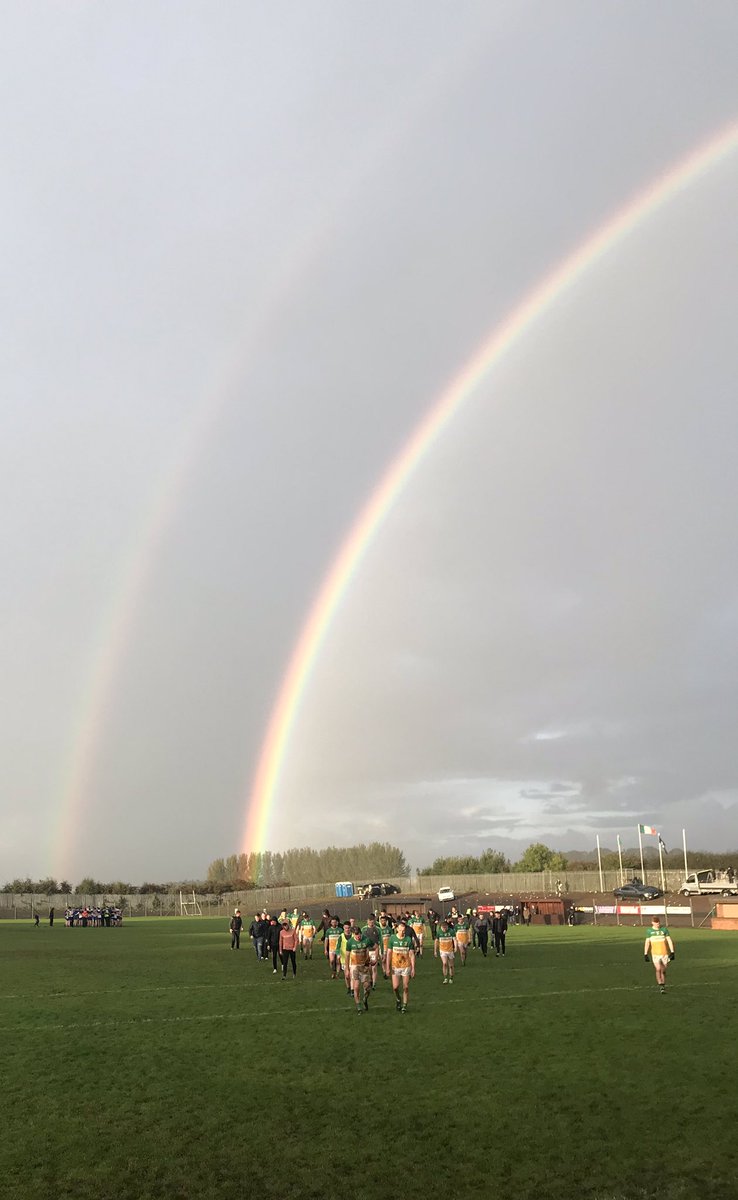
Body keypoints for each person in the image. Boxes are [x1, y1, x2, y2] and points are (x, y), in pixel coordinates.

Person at [386, 917, 415, 1013]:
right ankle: (398, 999)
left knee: (405, 987)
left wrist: (413, 968)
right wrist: (387, 967)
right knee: (395, 987)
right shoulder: (392, 939)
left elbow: (411, 954)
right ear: (397, 929)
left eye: (404, 930)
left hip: (406, 966)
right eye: (401, 930)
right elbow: (389, 953)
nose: (403, 932)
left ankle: (404, 1005)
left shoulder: (408, 940)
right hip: (395, 967)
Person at [344, 924, 373, 1013]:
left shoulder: (366, 940)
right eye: (356, 935)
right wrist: (347, 969)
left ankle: (364, 999)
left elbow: (375, 947)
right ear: (353, 934)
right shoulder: (350, 942)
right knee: (356, 987)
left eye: (359, 934)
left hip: (364, 967)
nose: (358, 937)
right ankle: (358, 1006)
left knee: (367, 987)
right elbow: (347, 956)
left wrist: (374, 959)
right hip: (355, 967)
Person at [644, 917, 675, 993]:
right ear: (652, 923)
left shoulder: (664, 930)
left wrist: (672, 952)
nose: (657, 924)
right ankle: (661, 986)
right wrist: (645, 953)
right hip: (655, 954)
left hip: (664, 953)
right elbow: (647, 942)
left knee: (663, 971)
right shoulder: (649, 931)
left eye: (658, 923)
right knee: (658, 969)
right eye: (656, 923)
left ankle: (663, 984)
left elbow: (669, 940)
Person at [434, 919, 456, 984]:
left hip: (450, 950)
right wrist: (435, 951)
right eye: (443, 928)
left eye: (445, 928)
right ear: (441, 927)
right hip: (442, 950)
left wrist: (455, 947)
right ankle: (445, 978)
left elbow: (454, 939)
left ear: (447, 927)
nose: (444, 930)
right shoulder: (439, 932)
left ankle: (451, 978)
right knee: (444, 963)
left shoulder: (451, 931)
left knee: (451, 965)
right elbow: (436, 941)